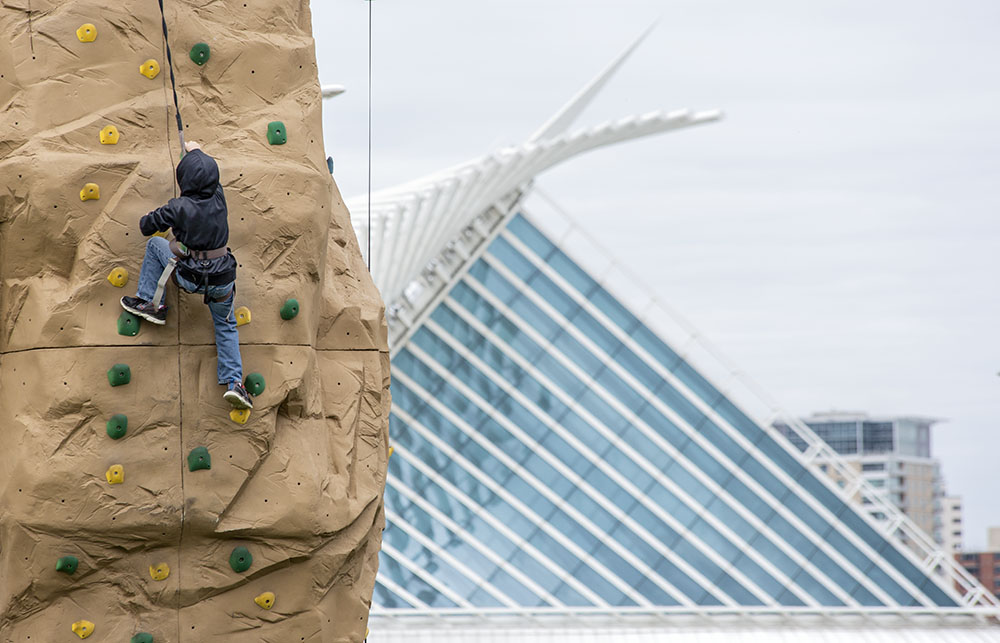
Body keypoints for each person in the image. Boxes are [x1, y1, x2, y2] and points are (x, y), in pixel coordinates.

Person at [120, 141, 253, 410]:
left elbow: (146, 226)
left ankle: (151, 302)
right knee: (225, 326)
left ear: (184, 179)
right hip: (221, 281)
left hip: (190, 276)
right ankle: (235, 383)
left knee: (155, 245)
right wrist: (196, 152)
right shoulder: (218, 197)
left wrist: (170, 212)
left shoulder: (178, 207)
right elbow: (210, 178)